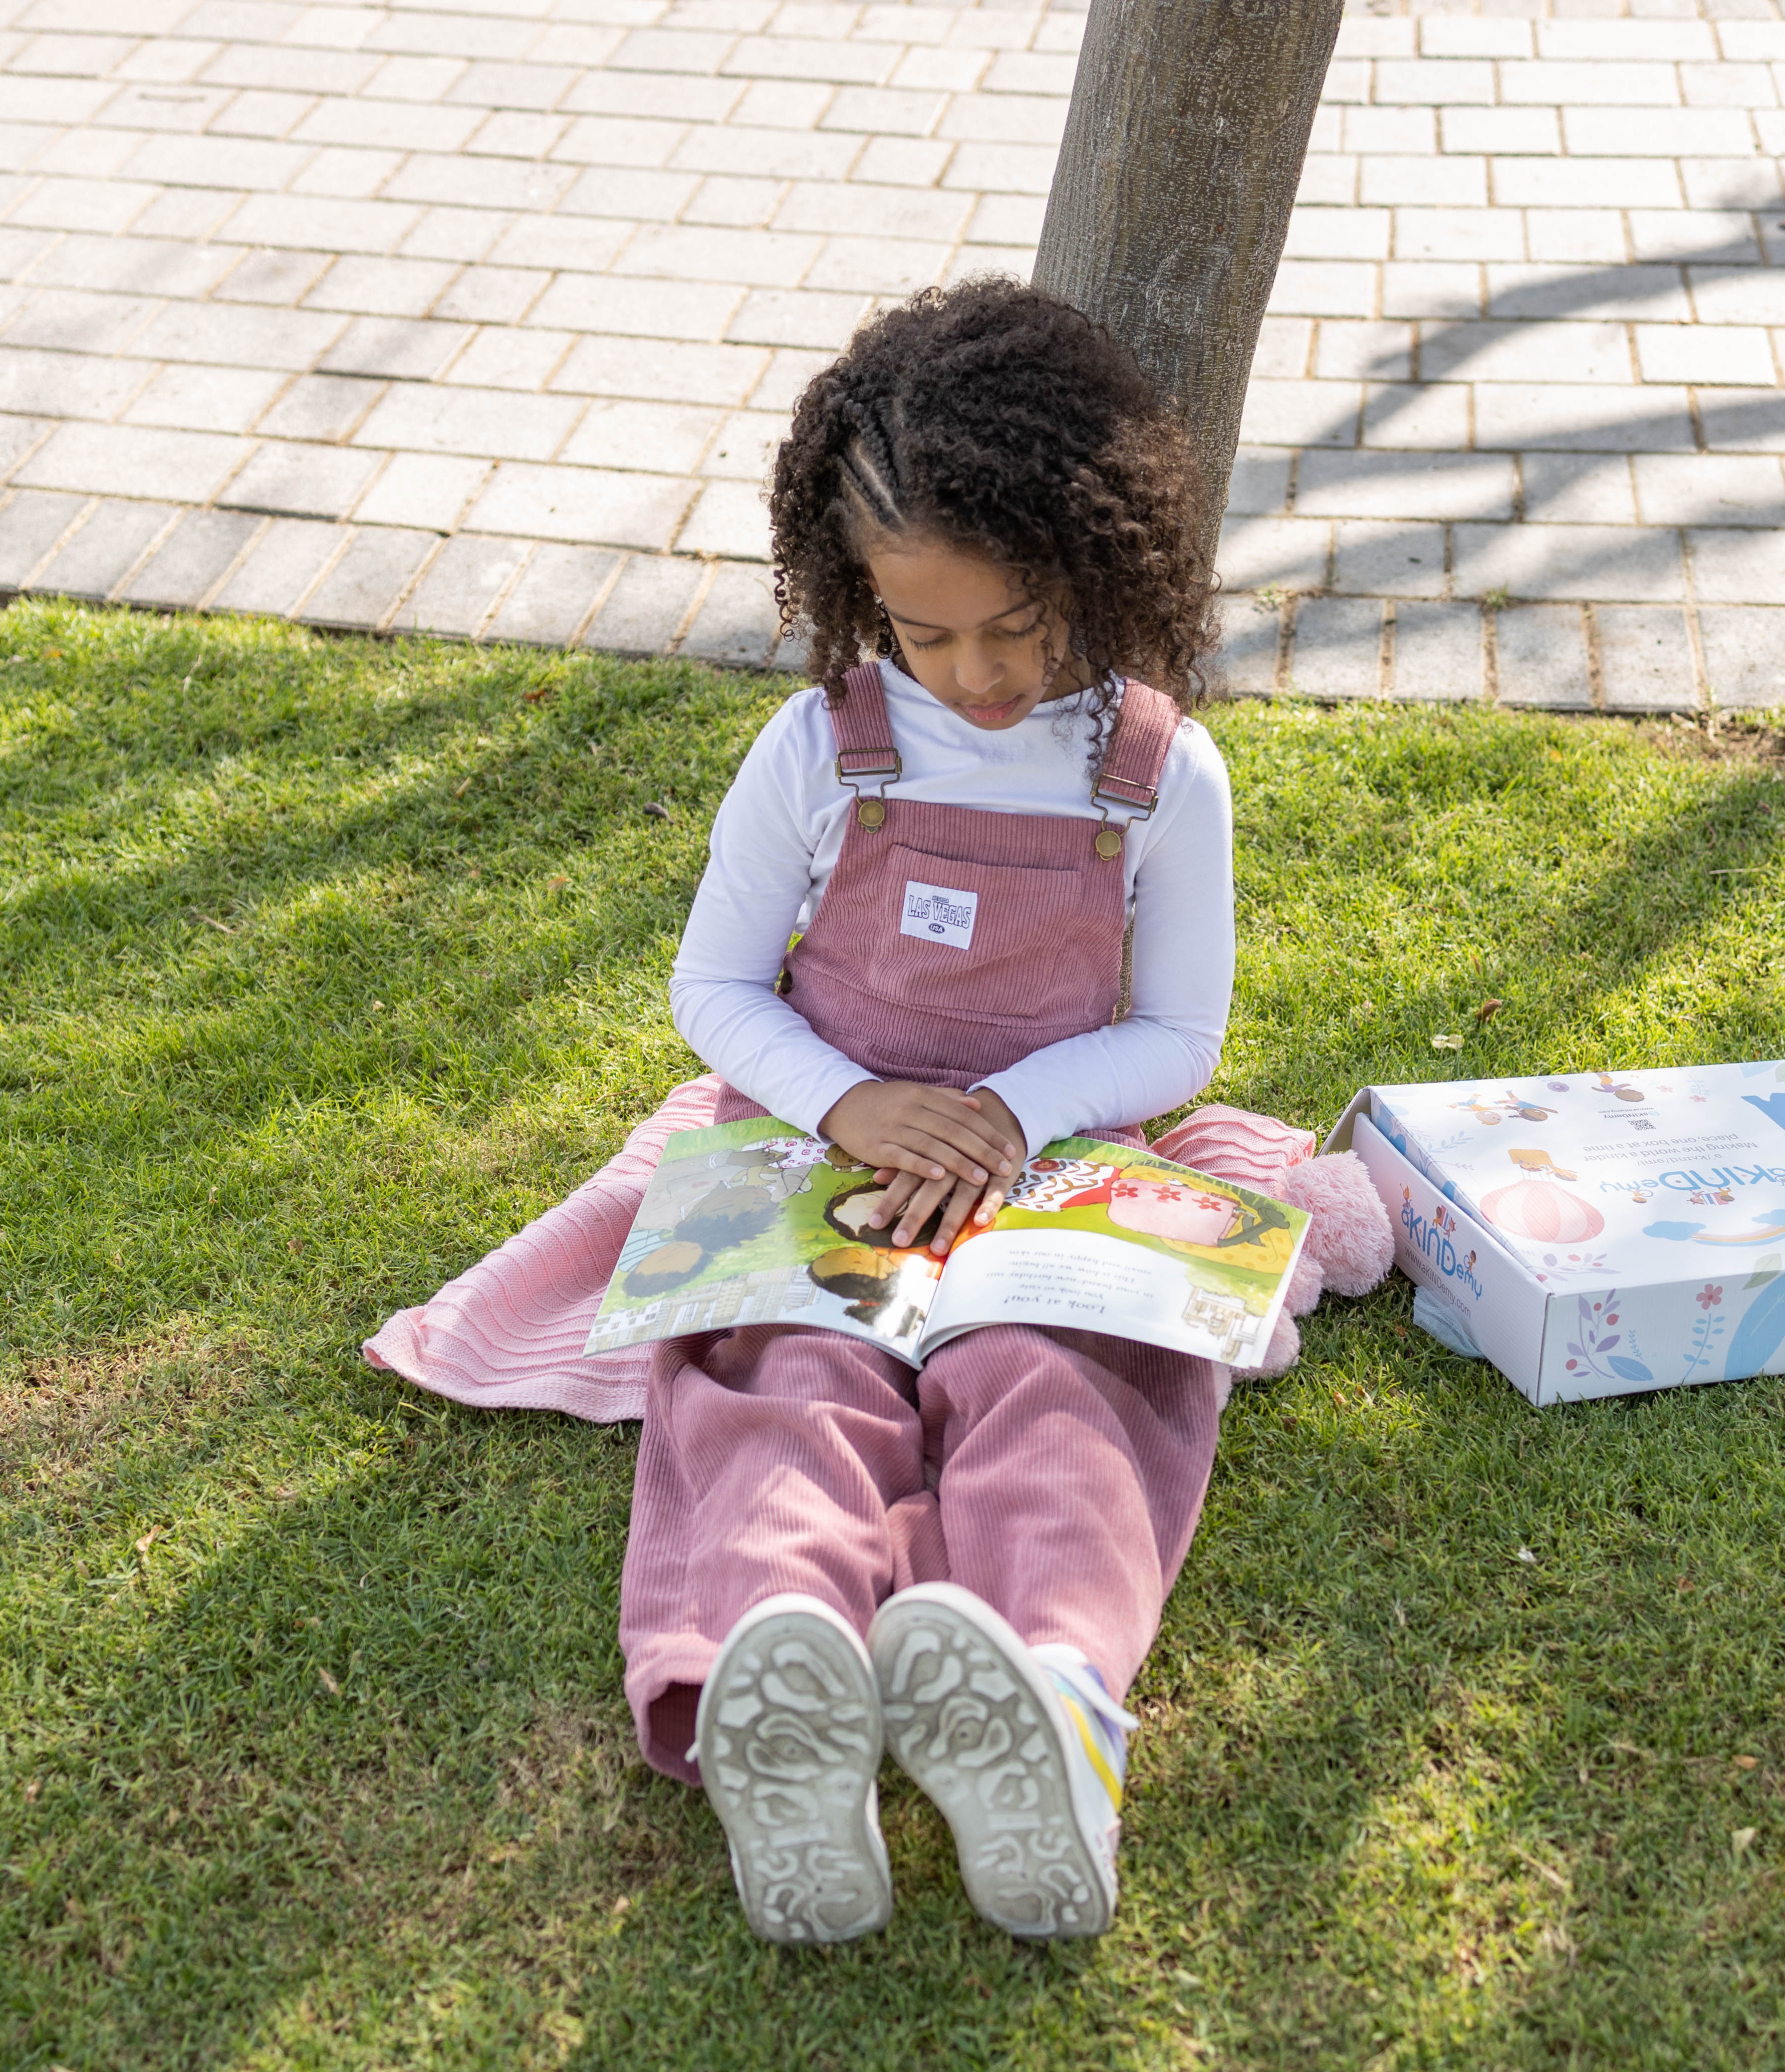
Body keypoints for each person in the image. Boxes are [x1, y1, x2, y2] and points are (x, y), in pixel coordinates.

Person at [419, 279, 1238, 1946]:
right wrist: (855, 1102)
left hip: (1046, 1166)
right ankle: (773, 1683)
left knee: (1060, 1384)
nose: (976, 672)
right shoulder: (817, 749)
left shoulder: (1162, 770)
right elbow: (716, 989)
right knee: (790, 1380)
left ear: (1101, 564)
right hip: (822, 1153)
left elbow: (1178, 1035)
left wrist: (1011, 1113)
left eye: (1018, 625)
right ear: (857, 595)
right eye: (925, 635)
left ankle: (1057, 1704)